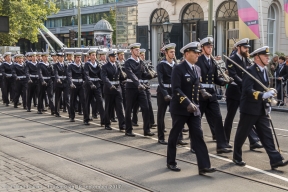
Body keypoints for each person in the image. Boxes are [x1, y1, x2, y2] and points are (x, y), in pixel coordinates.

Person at [233, 46, 288, 169]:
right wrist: (263, 95)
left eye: (268, 56)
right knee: (242, 133)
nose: (268, 58)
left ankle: (275, 160)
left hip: (261, 108)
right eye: (265, 56)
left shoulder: (264, 70)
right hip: (249, 108)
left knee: (266, 134)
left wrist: (268, 101)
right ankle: (237, 156)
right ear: (257, 57)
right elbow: (247, 90)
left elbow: (265, 87)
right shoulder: (250, 71)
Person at [167, 42, 216, 175]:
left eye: (198, 53)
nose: (198, 55)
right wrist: (187, 102)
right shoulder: (178, 68)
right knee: (175, 135)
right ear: (187, 54)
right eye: (195, 53)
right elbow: (175, 89)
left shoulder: (197, 68)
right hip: (181, 108)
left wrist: (203, 91)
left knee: (198, 136)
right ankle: (171, 161)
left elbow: (197, 85)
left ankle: (204, 166)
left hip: (194, 109)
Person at [196, 37, 233, 154]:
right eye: (208, 47)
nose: (210, 49)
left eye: (211, 47)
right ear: (202, 48)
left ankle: (221, 145)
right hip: (200, 93)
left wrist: (224, 81)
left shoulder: (213, 61)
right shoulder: (198, 60)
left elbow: (215, 78)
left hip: (211, 93)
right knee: (197, 119)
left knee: (217, 117)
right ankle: (195, 144)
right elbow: (195, 78)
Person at [224, 38, 263, 149]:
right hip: (234, 92)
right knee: (230, 117)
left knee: (246, 117)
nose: (247, 50)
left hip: (244, 93)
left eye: (247, 48)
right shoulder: (231, 59)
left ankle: (253, 141)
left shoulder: (247, 60)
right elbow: (233, 75)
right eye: (245, 48)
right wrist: (245, 84)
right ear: (238, 48)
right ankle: (225, 141)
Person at [124, 43, 154, 137]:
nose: (138, 51)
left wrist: (151, 75)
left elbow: (144, 74)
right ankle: (128, 130)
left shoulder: (141, 61)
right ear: (131, 51)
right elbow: (131, 74)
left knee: (146, 108)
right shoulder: (128, 62)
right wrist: (138, 84)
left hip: (141, 88)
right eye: (136, 50)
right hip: (131, 87)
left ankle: (146, 130)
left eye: (138, 50)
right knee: (129, 109)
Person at [101, 50, 126, 130]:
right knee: (108, 107)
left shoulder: (118, 65)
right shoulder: (105, 67)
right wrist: (110, 85)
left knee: (119, 107)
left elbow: (121, 77)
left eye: (115, 57)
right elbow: (104, 77)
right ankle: (107, 123)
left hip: (118, 88)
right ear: (109, 58)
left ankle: (122, 124)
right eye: (112, 57)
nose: (114, 58)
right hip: (109, 89)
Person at [83, 50, 105, 125]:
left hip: (97, 84)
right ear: (89, 56)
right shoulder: (87, 64)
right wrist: (91, 83)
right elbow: (86, 75)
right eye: (92, 55)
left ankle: (103, 120)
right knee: (87, 101)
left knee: (100, 101)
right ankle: (86, 119)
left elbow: (101, 74)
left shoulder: (98, 64)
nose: (94, 56)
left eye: (95, 55)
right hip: (89, 85)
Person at [67, 52, 85, 122]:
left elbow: (85, 75)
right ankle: (72, 116)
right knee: (72, 100)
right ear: (74, 58)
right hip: (74, 84)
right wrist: (71, 83)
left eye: (80, 57)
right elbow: (69, 75)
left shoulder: (82, 66)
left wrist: (85, 82)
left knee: (83, 100)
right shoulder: (71, 66)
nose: (79, 59)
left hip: (81, 84)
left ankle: (86, 117)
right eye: (77, 57)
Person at [54, 52, 70, 117]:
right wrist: (58, 79)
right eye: (61, 57)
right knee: (58, 98)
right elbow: (56, 73)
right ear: (58, 57)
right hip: (59, 83)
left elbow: (68, 73)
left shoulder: (66, 65)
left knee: (67, 97)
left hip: (65, 83)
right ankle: (57, 112)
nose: (62, 58)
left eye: (63, 57)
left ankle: (70, 113)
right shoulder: (55, 65)